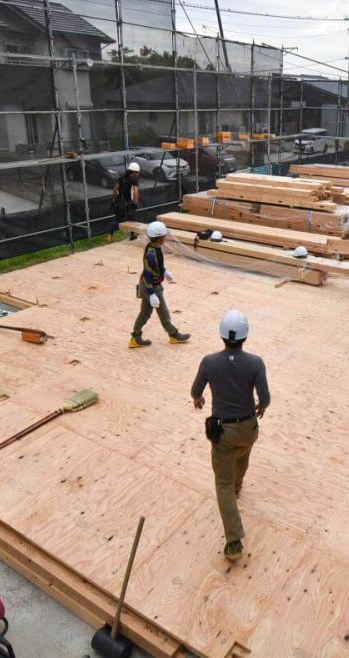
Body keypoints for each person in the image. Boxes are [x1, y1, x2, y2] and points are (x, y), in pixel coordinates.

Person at [191, 310, 269, 561]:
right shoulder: (256, 363)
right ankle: (237, 485)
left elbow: (195, 391)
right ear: (245, 337)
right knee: (243, 454)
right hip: (248, 429)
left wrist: (199, 398)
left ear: (222, 336)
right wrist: (261, 407)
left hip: (223, 432)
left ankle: (234, 541)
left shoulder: (209, 362)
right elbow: (264, 399)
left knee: (221, 483)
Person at [129, 221, 190, 348]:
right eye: (164, 236)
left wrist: (164, 271)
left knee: (145, 313)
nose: (165, 237)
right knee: (163, 312)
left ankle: (135, 338)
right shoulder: (151, 255)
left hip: (149, 285)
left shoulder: (154, 247)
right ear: (159, 238)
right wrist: (152, 294)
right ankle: (173, 335)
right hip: (150, 286)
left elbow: (156, 266)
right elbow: (147, 274)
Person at [110, 161, 142, 241]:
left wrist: (114, 200)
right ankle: (132, 235)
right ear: (134, 172)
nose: (138, 174)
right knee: (132, 219)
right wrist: (135, 202)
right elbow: (136, 192)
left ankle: (110, 236)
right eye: (137, 172)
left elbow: (115, 190)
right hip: (128, 203)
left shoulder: (121, 178)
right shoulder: (134, 180)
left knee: (118, 219)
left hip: (119, 202)